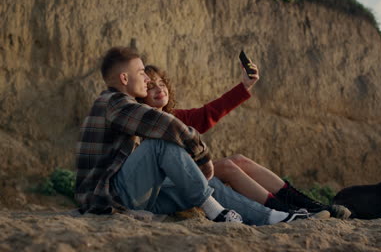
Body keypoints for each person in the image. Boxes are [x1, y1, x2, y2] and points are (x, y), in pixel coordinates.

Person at [75, 46, 324, 226]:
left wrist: (243, 88)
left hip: (134, 197)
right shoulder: (115, 103)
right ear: (124, 78)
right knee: (162, 145)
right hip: (108, 198)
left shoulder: (133, 110)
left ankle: (275, 215)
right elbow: (168, 128)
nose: (149, 80)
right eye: (143, 75)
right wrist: (202, 159)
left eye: (158, 81)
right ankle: (221, 211)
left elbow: (202, 116)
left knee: (211, 176)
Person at [141, 63, 350, 219]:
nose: (159, 89)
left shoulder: (176, 116)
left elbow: (208, 114)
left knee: (239, 160)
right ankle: (287, 212)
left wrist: (244, 86)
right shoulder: (139, 120)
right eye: (151, 87)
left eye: (161, 83)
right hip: (168, 186)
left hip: (188, 177)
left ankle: (312, 205)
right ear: (141, 94)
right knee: (227, 167)